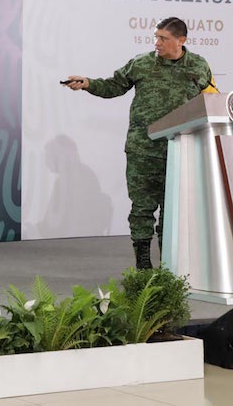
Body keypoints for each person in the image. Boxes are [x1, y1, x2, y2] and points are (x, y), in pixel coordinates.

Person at [64, 17, 213, 269]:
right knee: (142, 208)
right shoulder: (141, 63)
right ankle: (143, 263)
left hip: (180, 150)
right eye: (156, 37)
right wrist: (88, 83)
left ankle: (170, 265)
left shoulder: (199, 66)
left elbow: (210, 100)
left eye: (163, 38)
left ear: (181, 41)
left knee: (173, 211)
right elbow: (114, 86)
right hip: (143, 149)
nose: (157, 43)